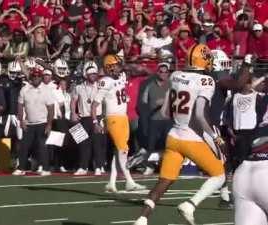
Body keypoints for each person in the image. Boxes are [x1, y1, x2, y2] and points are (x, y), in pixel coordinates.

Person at [133, 44, 226, 225]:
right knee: (219, 175)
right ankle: (191, 205)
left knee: (164, 181)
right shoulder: (205, 81)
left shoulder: (175, 76)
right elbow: (199, 115)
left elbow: (166, 112)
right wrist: (216, 137)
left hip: (173, 136)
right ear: (203, 59)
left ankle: (142, 219)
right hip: (190, 139)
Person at [91, 55, 146, 192]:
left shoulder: (120, 77)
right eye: (115, 65)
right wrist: (96, 121)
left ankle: (111, 183)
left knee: (119, 151)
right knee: (123, 150)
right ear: (109, 67)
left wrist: (123, 63)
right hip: (113, 118)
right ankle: (129, 181)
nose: (119, 67)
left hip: (123, 117)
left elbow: (130, 69)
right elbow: (94, 104)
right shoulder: (105, 81)